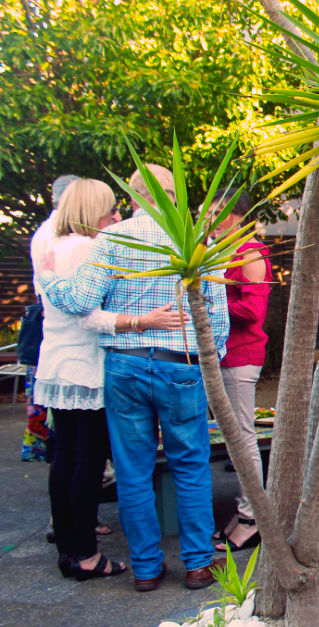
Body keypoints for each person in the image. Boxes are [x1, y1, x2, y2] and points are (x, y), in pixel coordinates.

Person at [37, 163, 230, 591]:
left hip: (123, 365)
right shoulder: (197, 238)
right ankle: (198, 564)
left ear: (133, 198)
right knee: (192, 465)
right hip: (180, 365)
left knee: (132, 470)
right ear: (173, 197)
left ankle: (145, 568)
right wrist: (209, 362)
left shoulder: (111, 238)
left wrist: (47, 276)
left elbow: (80, 299)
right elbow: (217, 321)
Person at [207, 190, 272, 553]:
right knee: (234, 437)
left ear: (236, 215)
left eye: (216, 213)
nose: (210, 221)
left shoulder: (250, 251)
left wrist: (212, 295)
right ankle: (245, 511)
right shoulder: (223, 251)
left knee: (243, 436)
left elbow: (253, 311)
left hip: (241, 354)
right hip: (224, 354)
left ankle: (253, 518)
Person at [23, 174, 80, 463]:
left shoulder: (47, 231)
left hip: (53, 329)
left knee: (62, 427)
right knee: (66, 432)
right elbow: (74, 299)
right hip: (64, 332)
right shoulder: (58, 235)